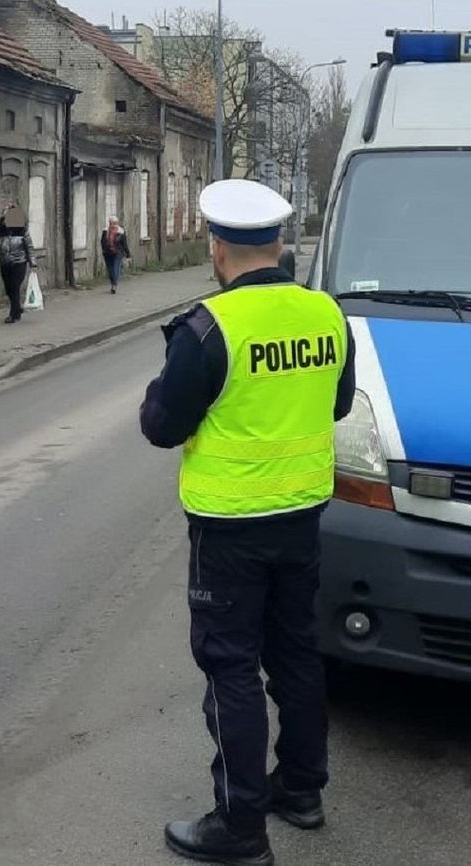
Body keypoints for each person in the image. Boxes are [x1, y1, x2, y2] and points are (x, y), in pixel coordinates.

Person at [140, 179, 356, 866]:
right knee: (294, 654)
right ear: (281, 243)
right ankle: (302, 789)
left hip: (230, 527)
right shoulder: (326, 314)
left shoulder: (210, 328)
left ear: (218, 246)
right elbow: (340, 402)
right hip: (302, 518)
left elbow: (161, 425)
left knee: (230, 669)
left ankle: (239, 828)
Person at [0, 204, 37, 324]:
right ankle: (17, 308)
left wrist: (33, 262)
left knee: (14, 286)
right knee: (8, 288)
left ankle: (13, 314)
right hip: (5, 262)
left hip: (19, 262)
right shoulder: (1, 229)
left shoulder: (22, 230)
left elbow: (29, 246)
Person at [100, 216, 131, 293]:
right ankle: (113, 283)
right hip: (107, 253)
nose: (113, 225)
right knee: (110, 270)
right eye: (112, 223)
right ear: (109, 223)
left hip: (117, 253)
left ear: (117, 223)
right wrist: (104, 249)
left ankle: (114, 285)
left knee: (115, 268)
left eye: (115, 223)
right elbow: (102, 242)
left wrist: (128, 254)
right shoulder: (105, 231)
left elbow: (124, 244)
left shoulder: (121, 232)